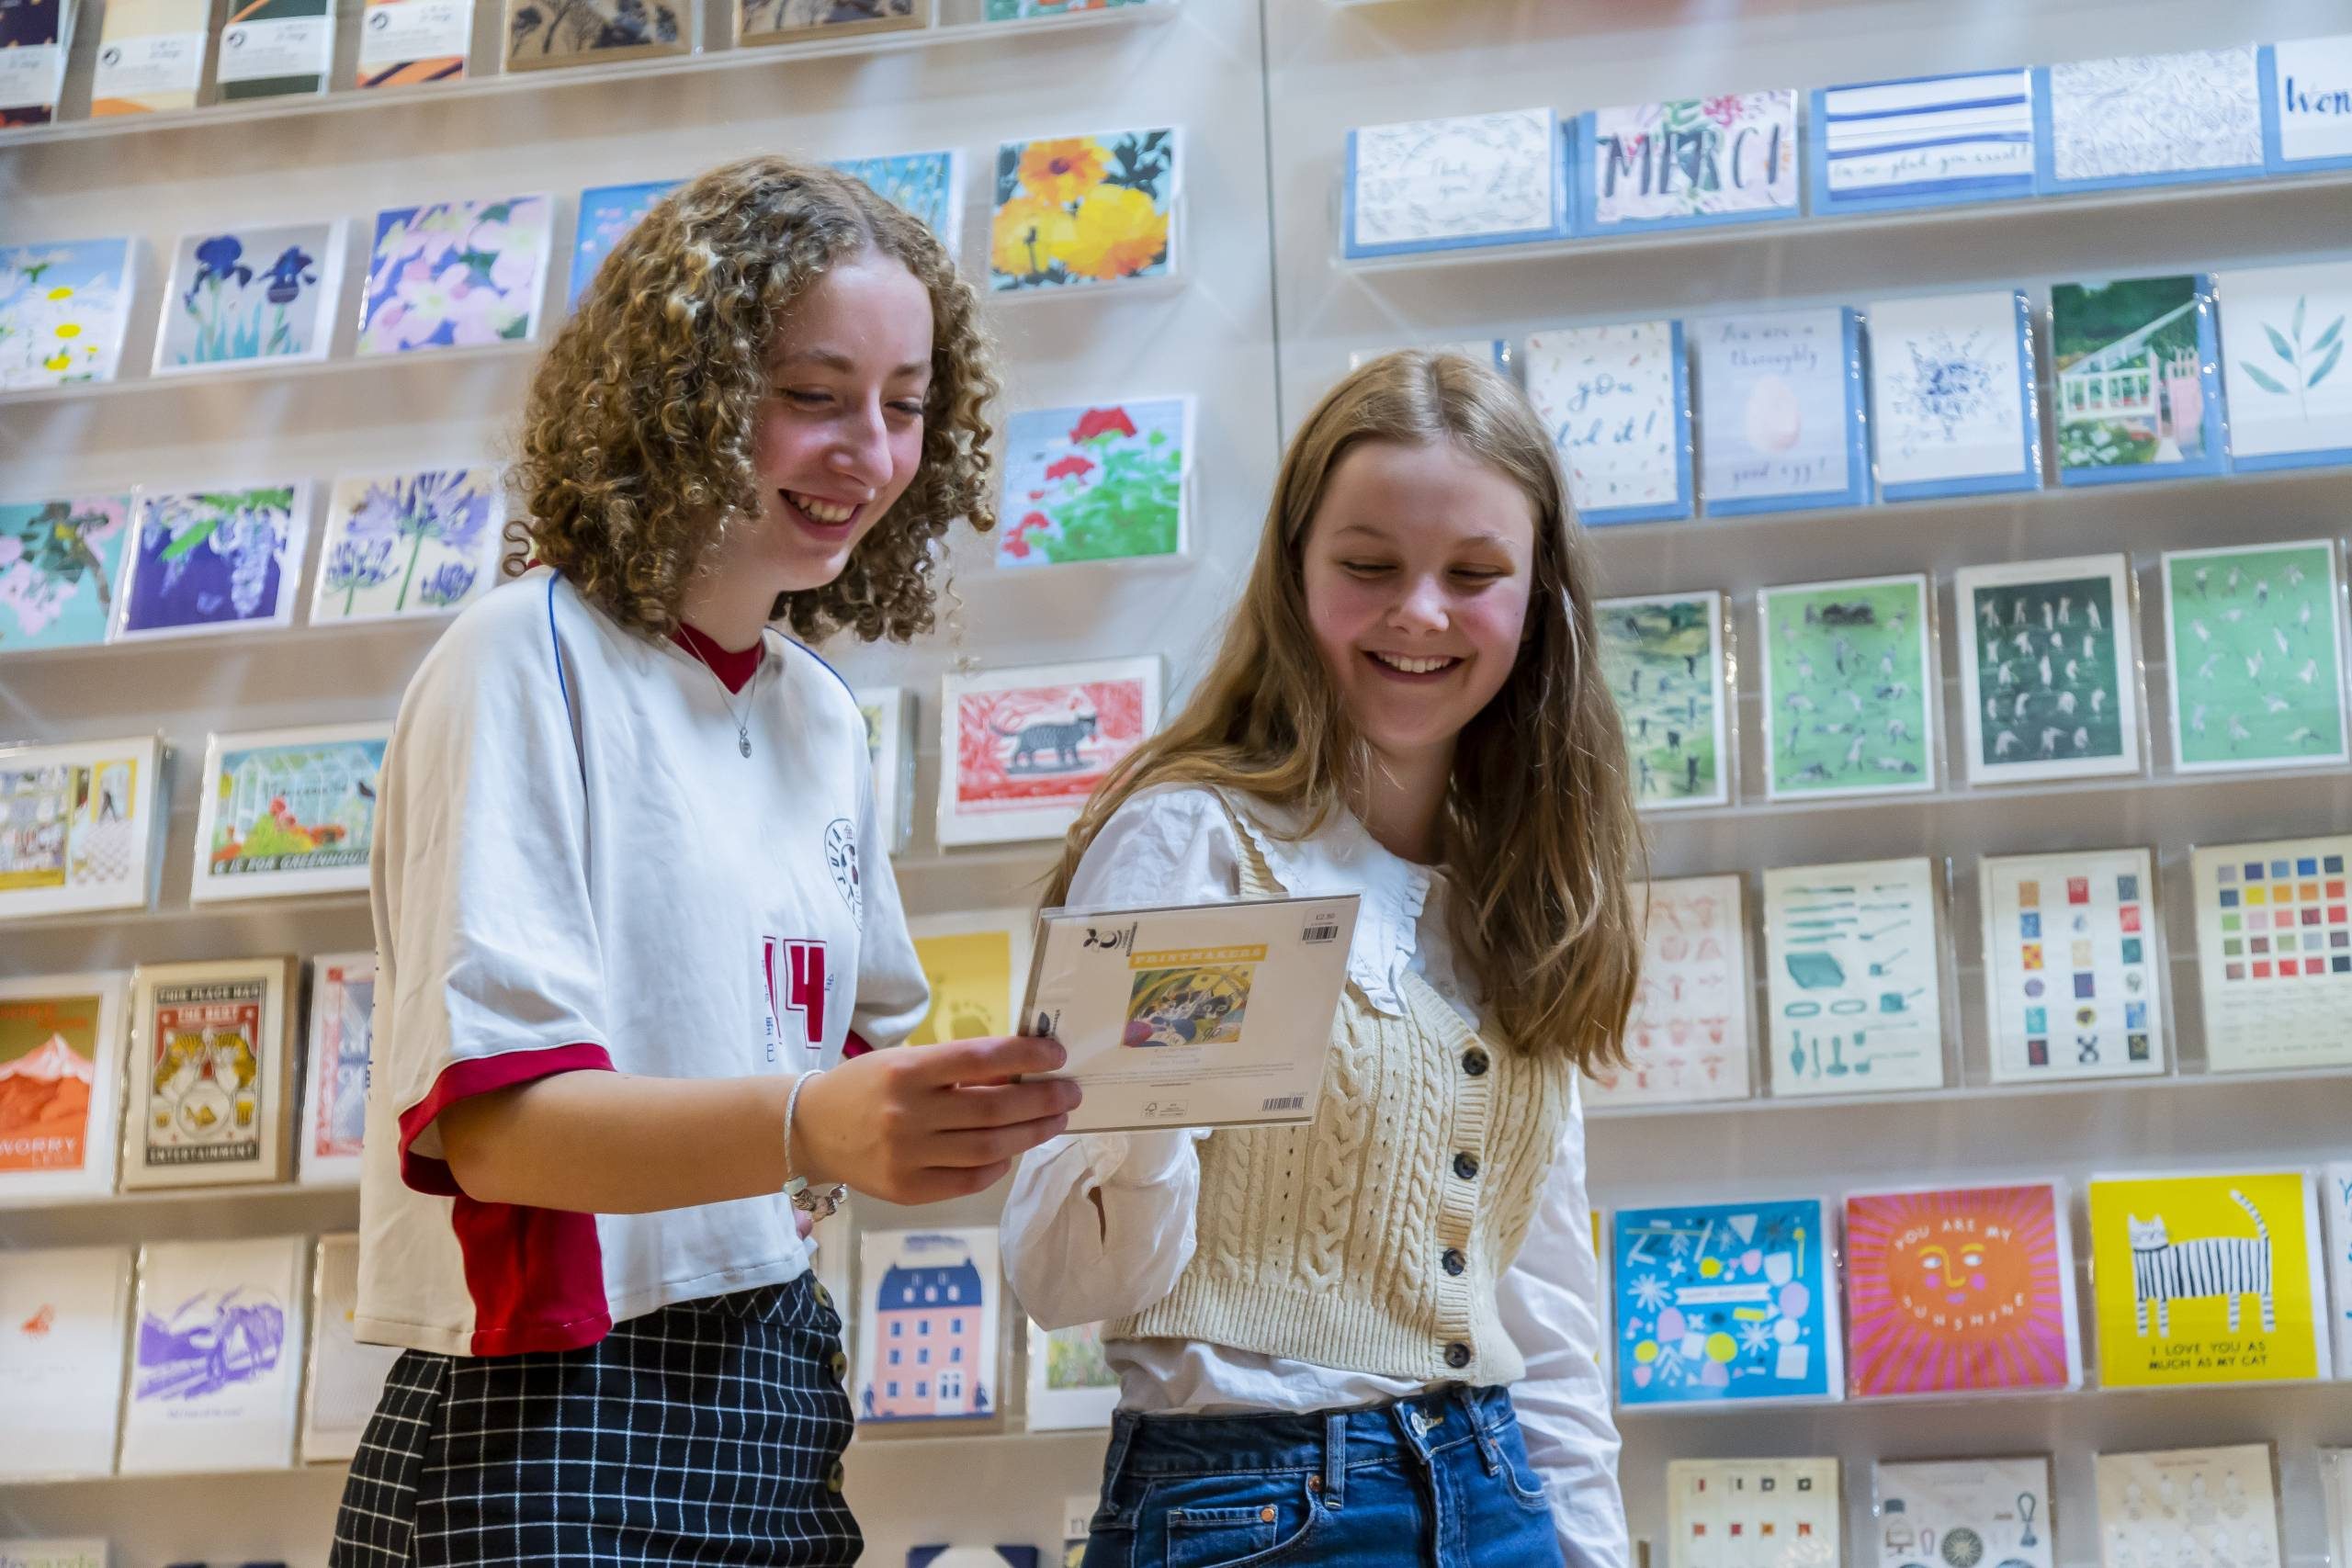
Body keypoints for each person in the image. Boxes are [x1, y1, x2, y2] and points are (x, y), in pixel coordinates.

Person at [331, 155, 1078, 1567]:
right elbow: (494, 1130)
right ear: (680, 389)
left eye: (906, 406)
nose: (868, 449)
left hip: (774, 1371)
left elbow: (843, 1073)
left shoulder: (819, 710)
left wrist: (978, 1108)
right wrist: (814, 1122)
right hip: (546, 1389)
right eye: (812, 395)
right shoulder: (519, 657)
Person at [1002, 349, 1639, 1568]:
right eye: (1367, 567)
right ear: (1294, 572)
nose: (1419, 613)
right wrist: (1138, 1124)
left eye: (1475, 574)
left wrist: (1592, 1550)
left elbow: (1544, 1302)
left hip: (1502, 1495)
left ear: (1538, 596)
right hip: (1257, 1509)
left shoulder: (1525, 886)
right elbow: (1059, 1279)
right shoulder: (1195, 844)